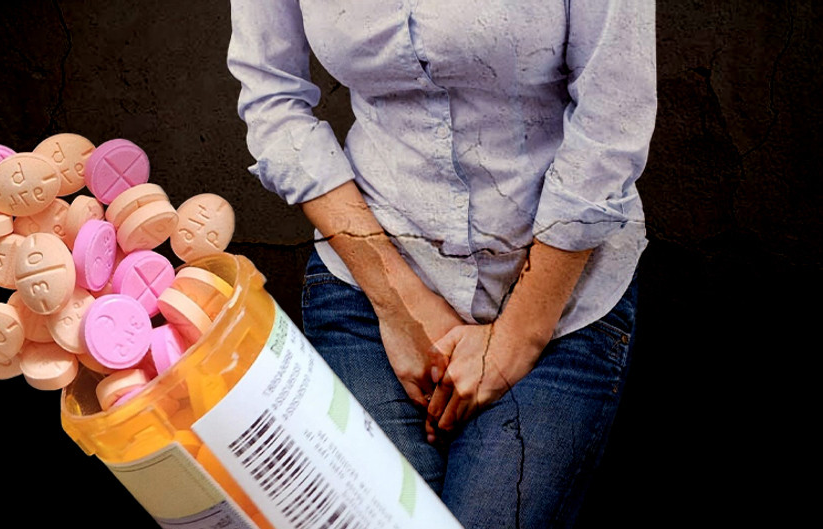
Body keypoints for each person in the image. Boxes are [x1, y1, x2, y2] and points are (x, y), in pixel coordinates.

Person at [226, 1, 656, 527]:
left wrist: (518, 337)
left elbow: (613, 118)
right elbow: (272, 98)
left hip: (560, 303)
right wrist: (399, 302)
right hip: (367, 289)